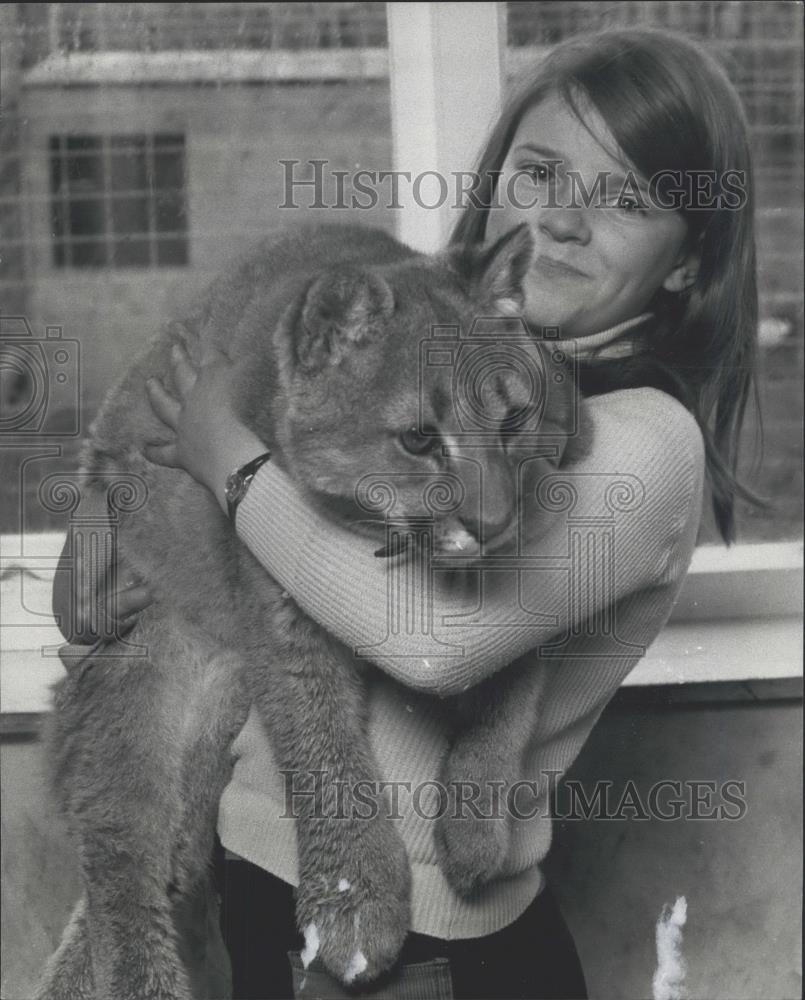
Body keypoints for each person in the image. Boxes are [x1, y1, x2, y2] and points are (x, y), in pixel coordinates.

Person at [53, 27, 759, 1000]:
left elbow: (430, 639)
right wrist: (112, 509)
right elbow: (182, 404)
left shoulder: (647, 438)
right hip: (274, 903)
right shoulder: (426, 345)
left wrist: (230, 465)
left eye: (626, 200)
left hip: (427, 954)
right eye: (541, 171)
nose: (559, 221)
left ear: (687, 262)